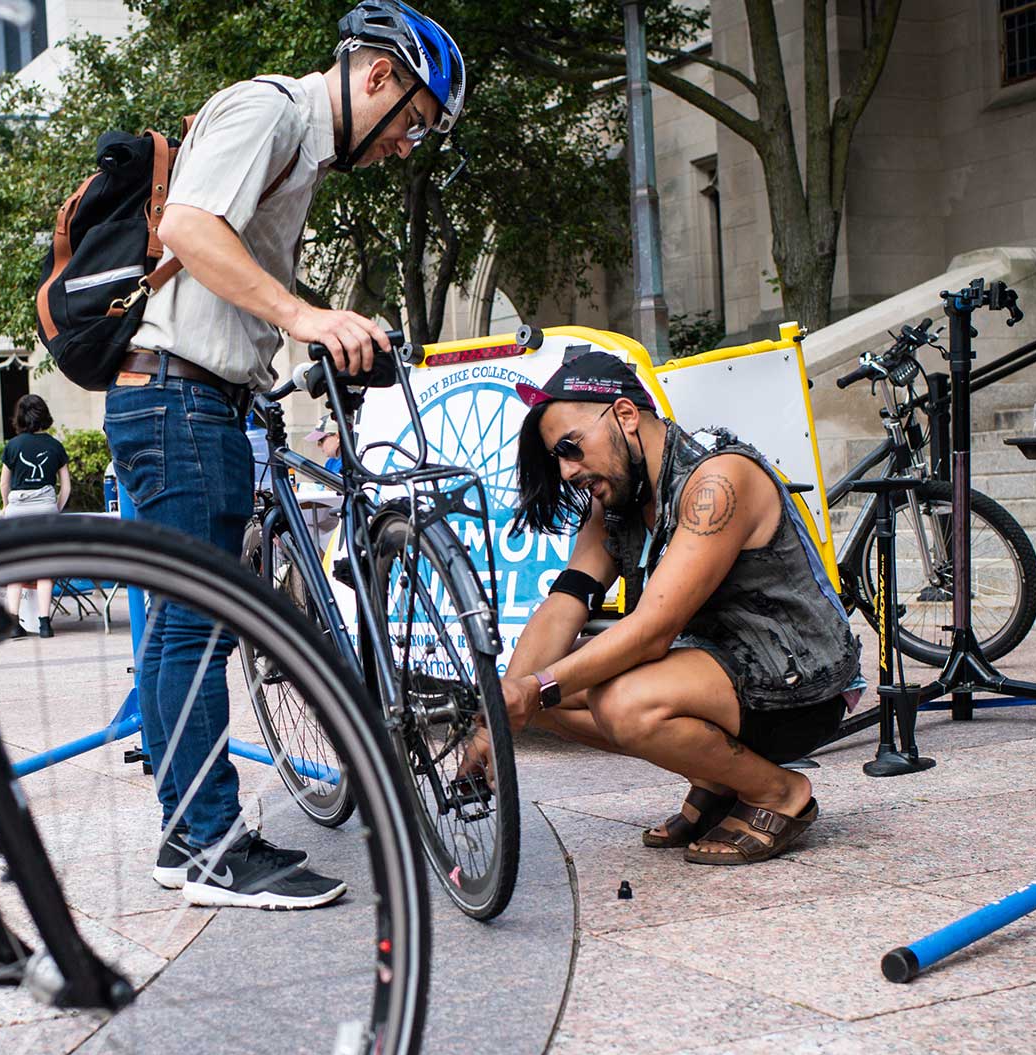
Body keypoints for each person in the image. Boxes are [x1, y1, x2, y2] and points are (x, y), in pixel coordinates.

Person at [108, 0, 466, 910]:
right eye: (413, 125)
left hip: (190, 397)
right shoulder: (266, 110)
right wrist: (305, 317)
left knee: (180, 620)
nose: (403, 148)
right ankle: (208, 845)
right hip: (178, 400)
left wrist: (305, 335)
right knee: (197, 624)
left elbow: (227, 274)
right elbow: (191, 228)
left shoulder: (297, 150)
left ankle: (185, 833)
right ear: (378, 75)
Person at [490, 351, 860, 865]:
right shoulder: (618, 497)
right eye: (559, 458)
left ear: (623, 414)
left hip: (800, 684)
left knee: (620, 700)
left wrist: (534, 688)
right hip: (720, 669)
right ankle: (717, 779)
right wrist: (503, 711)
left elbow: (652, 631)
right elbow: (565, 601)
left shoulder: (717, 480)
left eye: (571, 448)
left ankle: (779, 791)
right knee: (549, 691)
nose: (568, 470)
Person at [0, 393, 70, 639]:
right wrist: (54, 508)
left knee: (16, 568)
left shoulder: (13, 445)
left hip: (17, 512)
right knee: (45, 569)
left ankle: (13, 624)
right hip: (46, 511)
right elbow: (67, 487)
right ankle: (44, 624)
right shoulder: (55, 445)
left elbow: (4, 484)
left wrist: (7, 507)